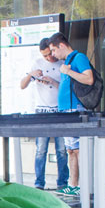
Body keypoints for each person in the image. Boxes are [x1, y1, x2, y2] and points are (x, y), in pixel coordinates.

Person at [19, 37, 71, 193]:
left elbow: (69, 87)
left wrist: (52, 82)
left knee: (62, 149)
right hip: (42, 111)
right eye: (45, 56)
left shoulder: (62, 63)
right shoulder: (38, 64)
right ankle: (39, 183)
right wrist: (31, 75)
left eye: (50, 54)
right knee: (41, 149)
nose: (49, 58)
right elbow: (22, 85)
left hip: (60, 111)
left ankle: (62, 183)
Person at [48, 32, 94, 195]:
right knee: (71, 150)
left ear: (61, 45)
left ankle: (84, 186)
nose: (52, 55)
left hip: (76, 109)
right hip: (66, 110)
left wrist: (68, 72)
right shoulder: (66, 63)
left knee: (79, 149)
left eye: (53, 50)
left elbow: (89, 79)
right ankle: (73, 185)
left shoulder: (78, 58)